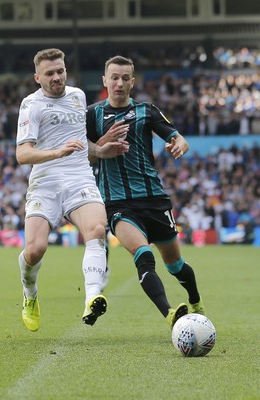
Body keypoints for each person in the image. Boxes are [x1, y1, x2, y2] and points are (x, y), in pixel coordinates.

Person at [86, 55, 205, 330]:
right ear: (105, 80)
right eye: (114, 78)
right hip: (117, 204)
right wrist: (101, 145)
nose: (119, 83)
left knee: (175, 265)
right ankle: (170, 313)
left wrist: (179, 146)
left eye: (124, 78)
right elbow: (85, 154)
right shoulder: (92, 115)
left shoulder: (146, 111)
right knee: (143, 255)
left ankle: (196, 300)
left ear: (132, 82)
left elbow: (179, 138)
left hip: (154, 198)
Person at [16, 48, 128, 332]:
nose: (57, 77)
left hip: (79, 178)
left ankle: (92, 297)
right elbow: (23, 154)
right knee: (35, 249)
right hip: (46, 182)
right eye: (50, 73)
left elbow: (80, 144)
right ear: (37, 77)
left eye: (61, 71)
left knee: (97, 230)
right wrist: (58, 152)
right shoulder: (31, 105)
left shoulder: (78, 97)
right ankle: (30, 295)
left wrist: (100, 150)